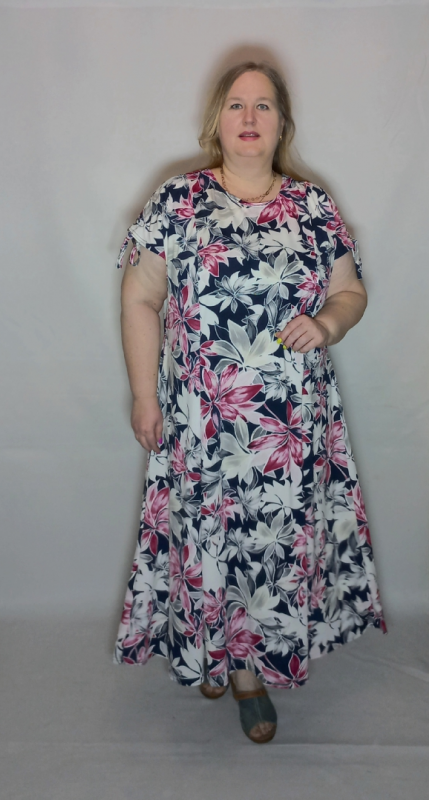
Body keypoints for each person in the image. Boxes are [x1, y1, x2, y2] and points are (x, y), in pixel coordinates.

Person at [114, 61, 386, 744]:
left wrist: (328, 324)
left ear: (282, 123)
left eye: (264, 105)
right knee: (206, 540)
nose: (249, 117)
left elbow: (350, 291)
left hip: (287, 428)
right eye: (237, 103)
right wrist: (144, 395)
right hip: (202, 422)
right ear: (218, 118)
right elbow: (140, 297)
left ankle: (243, 667)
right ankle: (222, 658)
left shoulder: (314, 206)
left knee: (268, 550)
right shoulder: (178, 200)